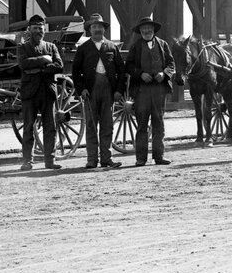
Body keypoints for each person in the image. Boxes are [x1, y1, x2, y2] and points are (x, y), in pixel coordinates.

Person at [71, 13, 124, 169]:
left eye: (100, 26)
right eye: (94, 27)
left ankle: (106, 159)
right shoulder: (83, 48)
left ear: (104, 29)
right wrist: (82, 89)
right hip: (91, 91)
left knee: (107, 126)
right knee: (91, 126)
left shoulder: (112, 47)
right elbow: (75, 72)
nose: (97, 29)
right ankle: (92, 159)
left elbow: (121, 70)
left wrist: (118, 90)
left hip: (108, 90)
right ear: (89, 30)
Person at [125, 16, 176, 166]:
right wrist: (140, 74)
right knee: (141, 125)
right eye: (143, 29)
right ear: (140, 31)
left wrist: (164, 73)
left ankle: (159, 156)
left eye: (149, 28)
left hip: (159, 91)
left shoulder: (163, 45)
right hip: (142, 91)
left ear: (153, 30)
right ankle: (141, 158)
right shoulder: (136, 46)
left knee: (158, 123)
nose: (146, 31)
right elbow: (129, 65)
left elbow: (171, 63)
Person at [17, 14, 64, 171]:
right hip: (29, 93)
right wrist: (44, 59)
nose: (38, 31)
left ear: (44, 30)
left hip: (47, 92)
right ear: (29, 30)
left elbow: (59, 65)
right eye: (35, 28)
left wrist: (39, 69)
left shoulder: (51, 47)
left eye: (41, 29)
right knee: (28, 127)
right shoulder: (22, 47)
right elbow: (23, 64)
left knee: (50, 127)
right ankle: (27, 161)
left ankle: (50, 161)